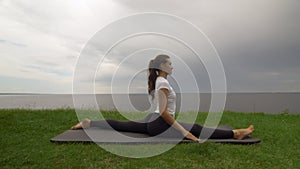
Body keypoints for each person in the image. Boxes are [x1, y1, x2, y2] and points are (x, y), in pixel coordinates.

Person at [71, 54, 254, 142]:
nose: (172, 66)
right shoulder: (163, 83)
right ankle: (235, 134)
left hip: (153, 119)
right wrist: (185, 133)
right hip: (158, 123)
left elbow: (160, 109)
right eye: (170, 64)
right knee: (196, 128)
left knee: (123, 124)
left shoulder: (157, 81)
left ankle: (89, 123)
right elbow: (165, 113)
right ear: (162, 66)